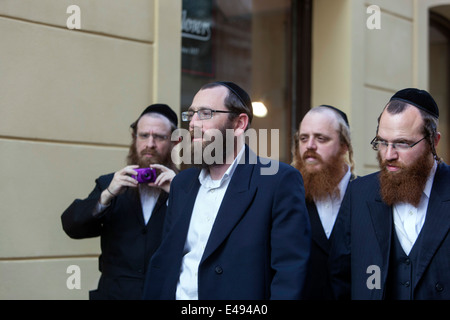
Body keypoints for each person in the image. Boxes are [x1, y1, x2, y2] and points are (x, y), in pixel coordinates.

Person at [142, 81, 311, 300]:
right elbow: (167, 261)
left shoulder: (278, 181)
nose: (192, 123)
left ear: (239, 123)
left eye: (205, 113)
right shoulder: (182, 184)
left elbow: (289, 275)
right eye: (191, 114)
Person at [331, 88, 450, 300]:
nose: (388, 155)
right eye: (382, 142)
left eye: (402, 143)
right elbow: (339, 278)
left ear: (434, 142)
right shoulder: (359, 194)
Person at [61, 104, 179, 300]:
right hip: (114, 294)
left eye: (159, 137)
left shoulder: (185, 187)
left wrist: (179, 194)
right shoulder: (110, 183)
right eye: (143, 135)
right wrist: (106, 195)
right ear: (134, 139)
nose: (150, 143)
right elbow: (72, 227)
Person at [292, 105, 356, 299]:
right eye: (304, 138)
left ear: (344, 145)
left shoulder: (369, 198)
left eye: (321, 138)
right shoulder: (287, 200)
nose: (310, 146)